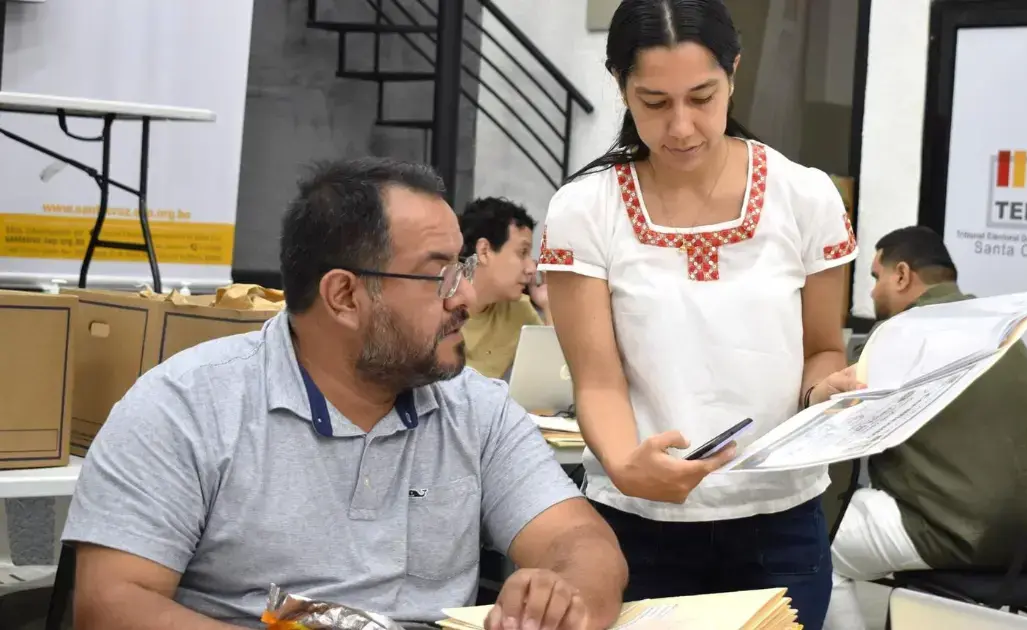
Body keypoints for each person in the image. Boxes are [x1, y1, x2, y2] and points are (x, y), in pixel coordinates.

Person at [62, 158, 627, 630]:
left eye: (464, 269)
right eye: (441, 277)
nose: (465, 298)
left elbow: (583, 541)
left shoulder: (475, 409)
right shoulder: (186, 405)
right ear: (344, 296)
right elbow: (111, 604)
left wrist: (561, 594)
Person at [537, 1, 858, 627]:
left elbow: (822, 348)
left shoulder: (805, 197)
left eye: (702, 97)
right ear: (621, 87)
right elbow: (597, 378)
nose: (681, 126)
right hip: (638, 525)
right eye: (654, 102)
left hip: (779, 520)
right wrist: (628, 468)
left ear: (733, 73)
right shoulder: (585, 210)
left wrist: (829, 390)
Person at [823, 226, 1027, 630]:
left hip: (959, 533)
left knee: (811, 544)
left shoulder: (899, 336)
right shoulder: (1002, 330)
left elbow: (844, 432)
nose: (874, 293)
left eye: (876, 278)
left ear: (902, 275)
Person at [458, 196, 551, 380]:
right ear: (484, 251)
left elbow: (551, 381)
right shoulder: (434, 307)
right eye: (522, 252)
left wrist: (549, 306)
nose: (532, 268)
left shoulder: (518, 311)